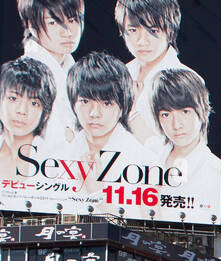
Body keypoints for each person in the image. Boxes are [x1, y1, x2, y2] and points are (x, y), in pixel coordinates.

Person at [63, 52, 160, 199]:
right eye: (85, 101)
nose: (94, 113)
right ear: (73, 104)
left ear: (123, 107)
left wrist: (97, 194)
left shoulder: (146, 162)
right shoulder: (62, 152)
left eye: (106, 103)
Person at [0, 57, 57, 207]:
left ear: (45, 112)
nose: (21, 111)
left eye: (34, 103)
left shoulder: (61, 161)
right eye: (13, 98)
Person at [147, 68, 221, 212]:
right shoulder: (150, 152)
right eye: (166, 114)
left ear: (204, 112)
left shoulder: (216, 173)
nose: (176, 125)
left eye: (185, 112)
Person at [114, 0, 186, 145]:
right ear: (122, 31)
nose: (142, 41)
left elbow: (180, 152)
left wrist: (132, 115)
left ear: (170, 31)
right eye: (133, 30)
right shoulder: (121, 74)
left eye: (153, 31)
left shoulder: (186, 81)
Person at [18, 0, 84, 146]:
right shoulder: (21, 76)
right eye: (53, 22)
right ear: (32, 26)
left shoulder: (73, 70)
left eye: (72, 20)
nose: (67, 31)